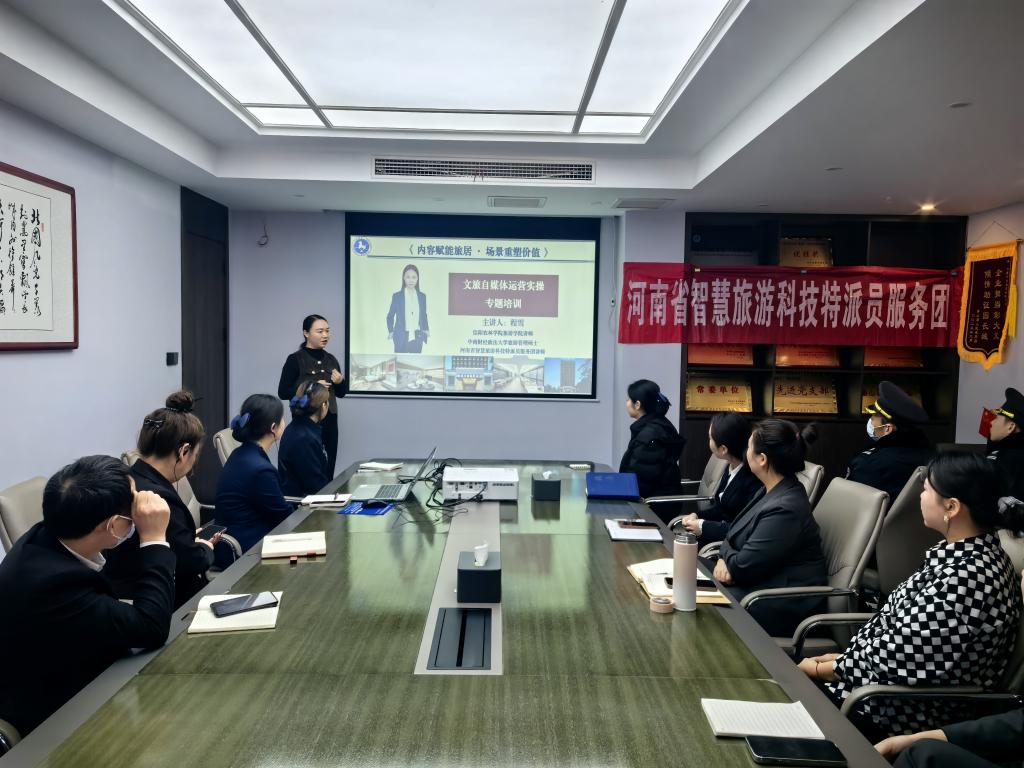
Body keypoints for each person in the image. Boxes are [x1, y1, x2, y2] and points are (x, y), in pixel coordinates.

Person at [798, 453, 1022, 739]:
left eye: (926, 490)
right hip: (871, 686)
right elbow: (905, 638)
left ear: (952, 507)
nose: (920, 497)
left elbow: (901, 658)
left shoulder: (968, 578)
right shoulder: (968, 555)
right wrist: (845, 659)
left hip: (892, 711)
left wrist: (828, 669)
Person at [0, 456, 175, 737]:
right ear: (113, 525)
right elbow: (151, 627)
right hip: (63, 717)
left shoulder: (48, 534)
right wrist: (154, 537)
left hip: (81, 662)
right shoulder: (54, 585)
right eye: (134, 506)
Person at [105, 390, 220, 609]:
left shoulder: (130, 479)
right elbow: (188, 562)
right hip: (165, 603)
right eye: (195, 455)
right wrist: (204, 548)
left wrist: (184, 538)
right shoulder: (158, 498)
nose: (193, 462)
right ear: (183, 451)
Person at [712, 419, 827, 637]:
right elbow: (731, 534)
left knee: (701, 605)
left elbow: (743, 567)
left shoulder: (785, 508)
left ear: (762, 459)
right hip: (759, 586)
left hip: (779, 603)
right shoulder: (770, 489)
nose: (745, 452)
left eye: (749, 447)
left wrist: (726, 557)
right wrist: (722, 558)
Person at [215, 394, 294, 553]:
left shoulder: (240, 453)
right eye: (282, 418)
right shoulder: (260, 470)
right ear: (273, 427)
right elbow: (284, 517)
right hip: (248, 548)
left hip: (236, 538)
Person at [277, 314, 348, 474]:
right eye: (320, 331)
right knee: (309, 470)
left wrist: (340, 382)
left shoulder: (331, 359)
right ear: (306, 333)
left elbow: (341, 393)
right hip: (305, 422)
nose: (325, 335)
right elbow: (283, 392)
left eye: (327, 331)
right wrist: (311, 386)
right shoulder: (295, 359)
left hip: (330, 421)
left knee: (328, 468)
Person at [678, 412, 762, 544]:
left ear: (723, 449)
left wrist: (703, 526)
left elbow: (743, 529)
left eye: (710, 438)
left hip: (725, 546)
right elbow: (722, 509)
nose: (709, 441)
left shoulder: (753, 480)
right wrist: (697, 516)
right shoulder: (731, 468)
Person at [846, 381, 933, 504]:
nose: (870, 422)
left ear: (887, 429)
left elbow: (849, 504)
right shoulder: (933, 458)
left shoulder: (868, 463)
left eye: (873, 418)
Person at [618, 379, 685, 505]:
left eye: (628, 399)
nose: (626, 403)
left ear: (637, 405)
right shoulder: (657, 425)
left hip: (654, 506)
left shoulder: (650, 436)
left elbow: (641, 483)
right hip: (652, 499)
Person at [278, 381, 331, 498]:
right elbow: (315, 486)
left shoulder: (299, 428)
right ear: (323, 406)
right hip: (302, 504)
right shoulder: (305, 438)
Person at [986, 386, 1024, 501]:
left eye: (996, 418)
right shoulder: (1002, 451)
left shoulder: (1011, 458)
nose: (991, 422)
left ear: (1011, 427)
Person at [386, 264, 429, 353]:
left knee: (416, 359)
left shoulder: (422, 296)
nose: (411, 280)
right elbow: (390, 316)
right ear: (404, 278)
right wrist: (391, 331)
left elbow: (424, 315)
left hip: (417, 336)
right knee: (400, 359)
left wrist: (426, 329)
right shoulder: (397, 296)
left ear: (417, 279)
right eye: (408, 277)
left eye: (414, 277)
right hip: (401, 336)